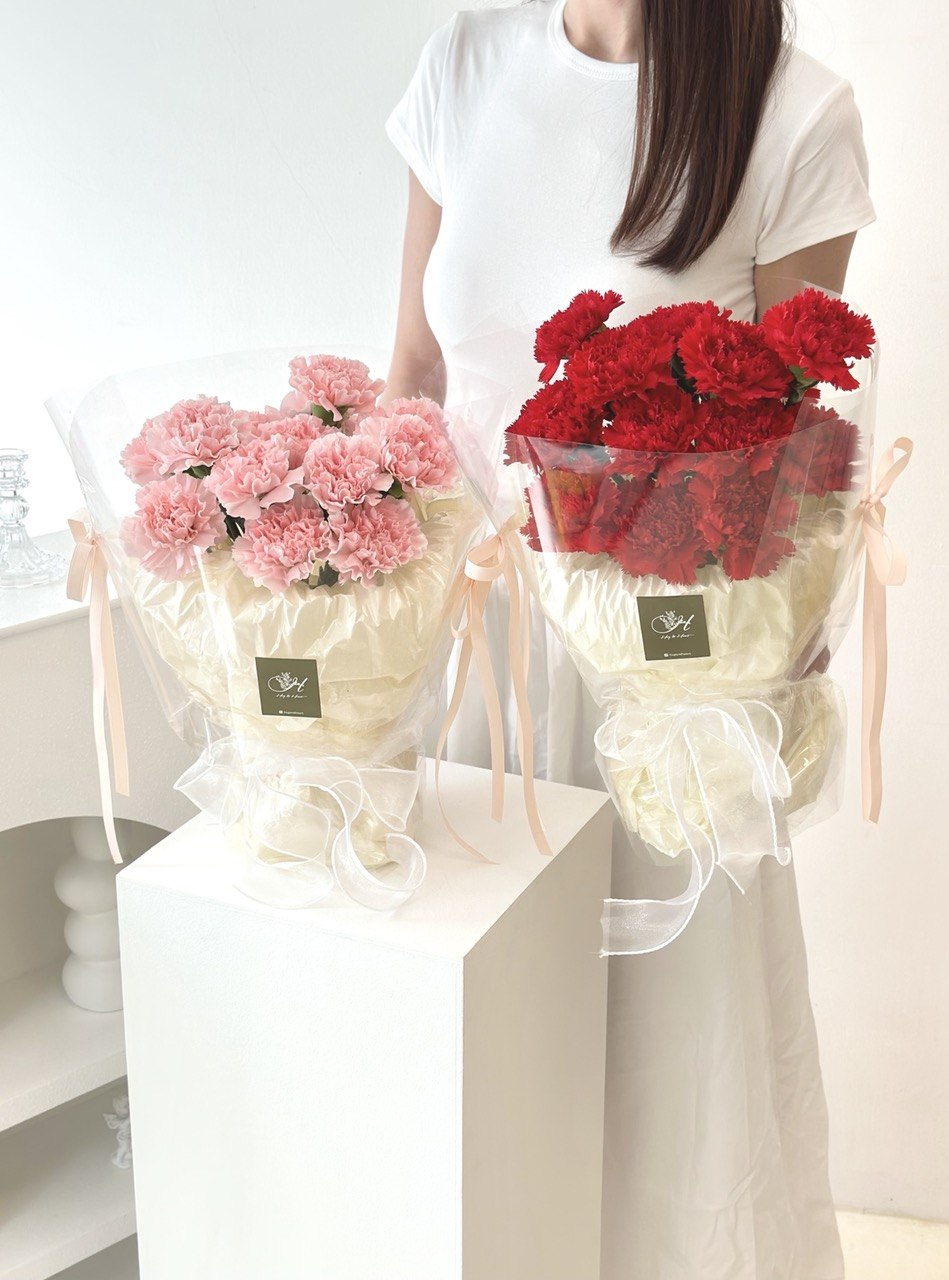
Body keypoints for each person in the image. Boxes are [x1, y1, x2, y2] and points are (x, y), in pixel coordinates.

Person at [383, 2, 875, 1277]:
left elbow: (782, 474)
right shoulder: (466, 61)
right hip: (468, 652)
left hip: (657, 672)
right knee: (477, 1043)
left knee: (672, 1048)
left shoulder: (791, 110)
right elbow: (415, 380)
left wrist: (757, 702)